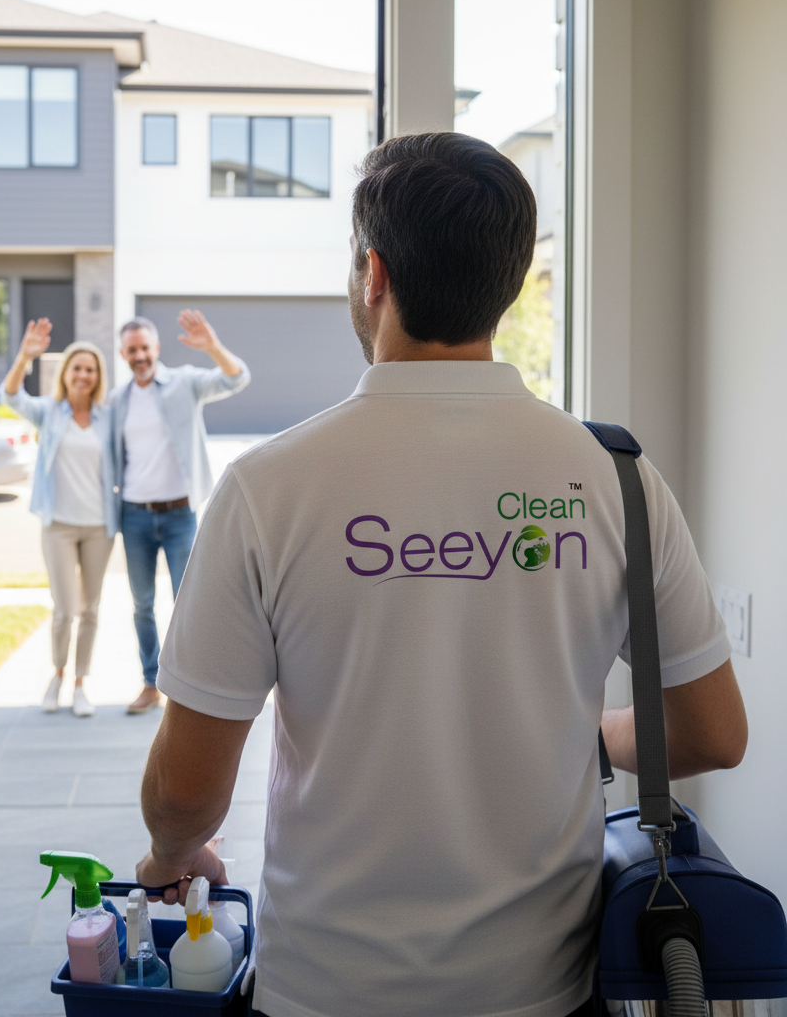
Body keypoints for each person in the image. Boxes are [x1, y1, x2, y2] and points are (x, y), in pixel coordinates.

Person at [134, 133, 748, 1017]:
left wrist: (169, 856)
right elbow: (714, 734)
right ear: (509, 283)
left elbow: (190, 787)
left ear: (373, 273)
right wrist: (584, 736)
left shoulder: (270, 487)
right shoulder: (614, 477)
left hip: (324, 989)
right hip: (543, 988)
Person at [111, 311, 250, 715]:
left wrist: (212, 346)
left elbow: (236, 378)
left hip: (179, 515)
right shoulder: (118, 401)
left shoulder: (185, 383)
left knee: (187, 600)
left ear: (156, 348)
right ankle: (150, 682)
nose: (140, 355)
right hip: (133, 515)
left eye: (145, 348)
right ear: (123, 353)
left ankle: (191, 686)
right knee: (141, 604)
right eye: (132, 350)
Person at [0, 319, 118, 718]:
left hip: (100, 526)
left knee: (91, 610)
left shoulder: (108, 417)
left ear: (97, 376)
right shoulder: (48, 412)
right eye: (76, 368)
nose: (83, 375)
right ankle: (57, 675)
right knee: (65, 608)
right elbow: (10, 395)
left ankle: (81, 684)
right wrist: (24, 356)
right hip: (59, 526)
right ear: (65, 373)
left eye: (90, 369)